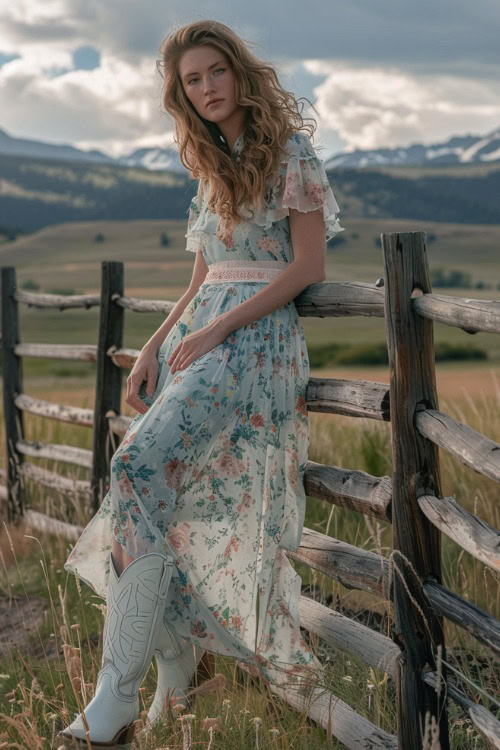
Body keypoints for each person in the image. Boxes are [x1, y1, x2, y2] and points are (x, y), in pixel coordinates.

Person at [58, 18, 345, 748]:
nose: (207, 87)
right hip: (203, 341)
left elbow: (307, 268)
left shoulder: (290, 151)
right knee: (151, 496)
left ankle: (117, 697)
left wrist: (219, 329)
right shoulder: (210, 159)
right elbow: (201, 274)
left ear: (239, 73)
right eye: (192, 80)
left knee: (133, 467)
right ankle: (168, 666)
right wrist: (158, 340)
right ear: (181, 93)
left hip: (254, 343)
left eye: (216, 71)